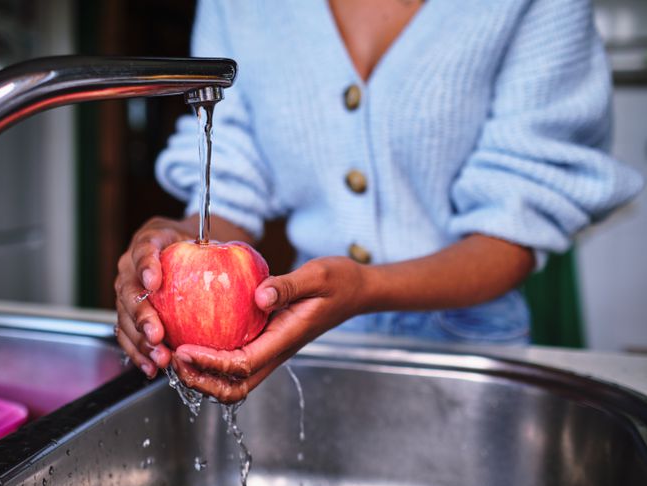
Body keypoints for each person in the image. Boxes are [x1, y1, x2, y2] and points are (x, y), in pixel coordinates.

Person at [114, 0, 643, 403]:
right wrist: (178, 240)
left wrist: (365, 288)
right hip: (301, 343)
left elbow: (519, 216)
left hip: (474, 350)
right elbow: (230, 181)